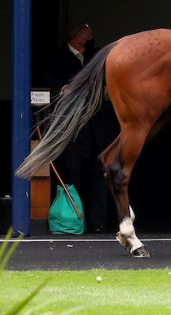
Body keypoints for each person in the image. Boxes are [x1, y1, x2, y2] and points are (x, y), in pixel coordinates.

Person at [44, 23, 117, 233]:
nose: (89, 38)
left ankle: (98, 223)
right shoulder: (59, 57)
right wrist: (62, 87)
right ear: (76, 37)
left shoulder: (96, 54)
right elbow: (48, 76)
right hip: (74, 124)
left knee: (101, 172)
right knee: (73, 172)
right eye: (85, 34)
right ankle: (76, 219)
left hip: (99, 123)